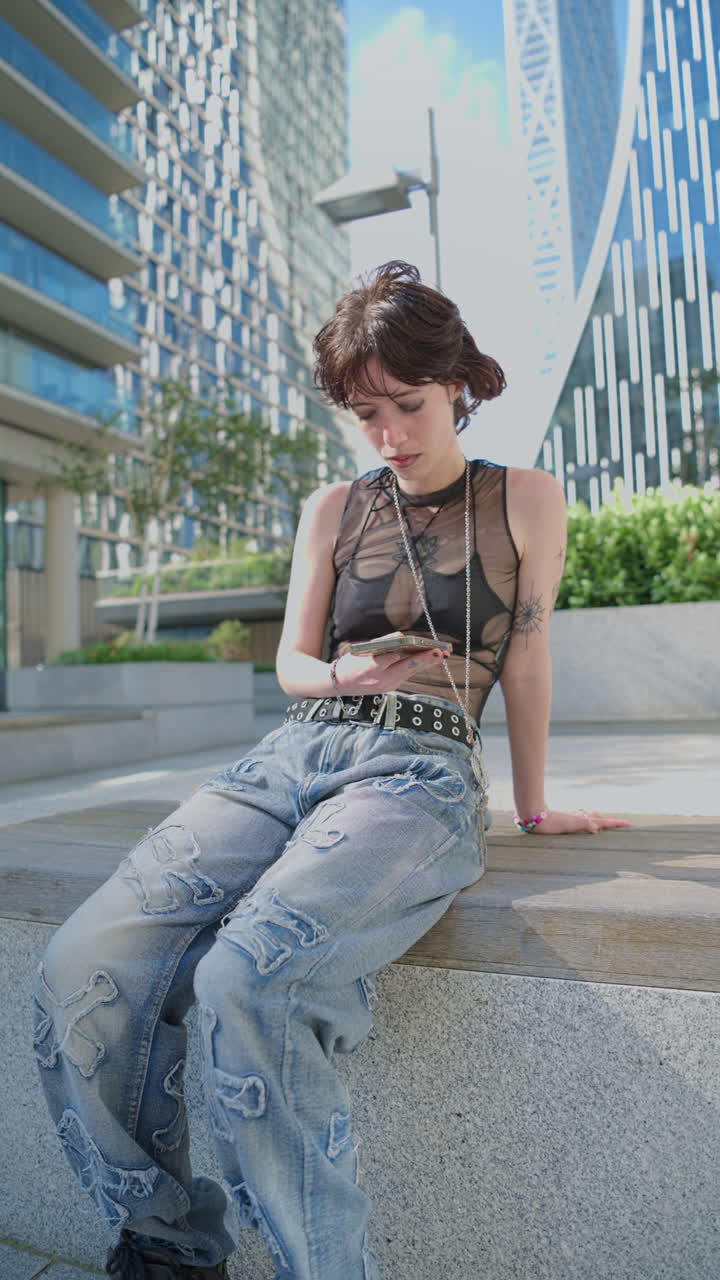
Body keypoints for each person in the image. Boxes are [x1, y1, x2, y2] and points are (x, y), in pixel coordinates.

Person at [33, 260, 630, 1280]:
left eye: (409, 403)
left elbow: (527, 656)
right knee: (79, 962)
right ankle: (168, 1245)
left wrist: (532, 806)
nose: (390, 432)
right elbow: (291, 663)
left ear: (457, 383)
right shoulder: (331, 507)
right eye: (367, 414)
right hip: (293, 752)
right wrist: (339, 672)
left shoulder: (525, 497)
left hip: (420, 766)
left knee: (245, 979)